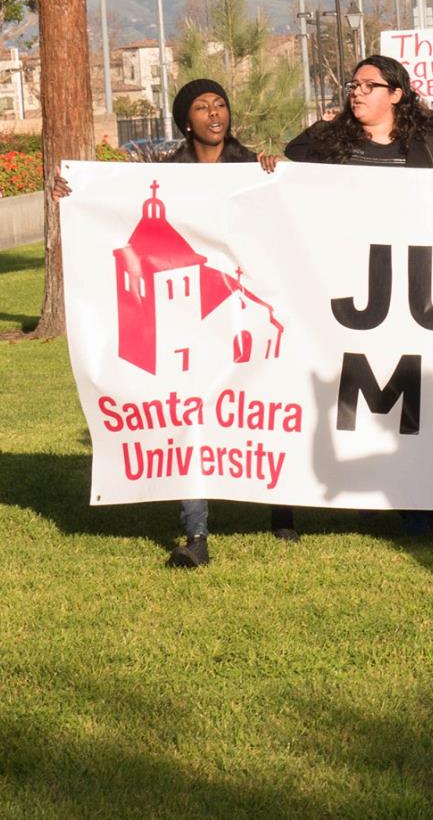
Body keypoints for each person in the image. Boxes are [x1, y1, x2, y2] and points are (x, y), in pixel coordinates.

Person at [53, 77, 287, 568]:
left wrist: (276, 174)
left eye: (220, 104)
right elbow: (110, 204)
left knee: (262, 408)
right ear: (186, 121)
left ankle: (282, 510)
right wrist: (72, 193)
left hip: (228, 311)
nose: (214, 113)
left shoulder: (251, 168)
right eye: (202, 107)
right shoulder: (165, 176)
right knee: (190, 426)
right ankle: (196, 534)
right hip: (186, 328)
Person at [287, 52, 433, 535]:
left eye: (369, 85)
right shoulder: (331, 141)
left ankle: (416, 502)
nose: (357, 92)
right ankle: (330, 494)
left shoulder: (426, 144)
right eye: (353, 85)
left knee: (410, 391)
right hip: (347, 290)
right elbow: (287, 164)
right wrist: (318, 128)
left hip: (412, 290)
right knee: (348, 389)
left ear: (396, 94)